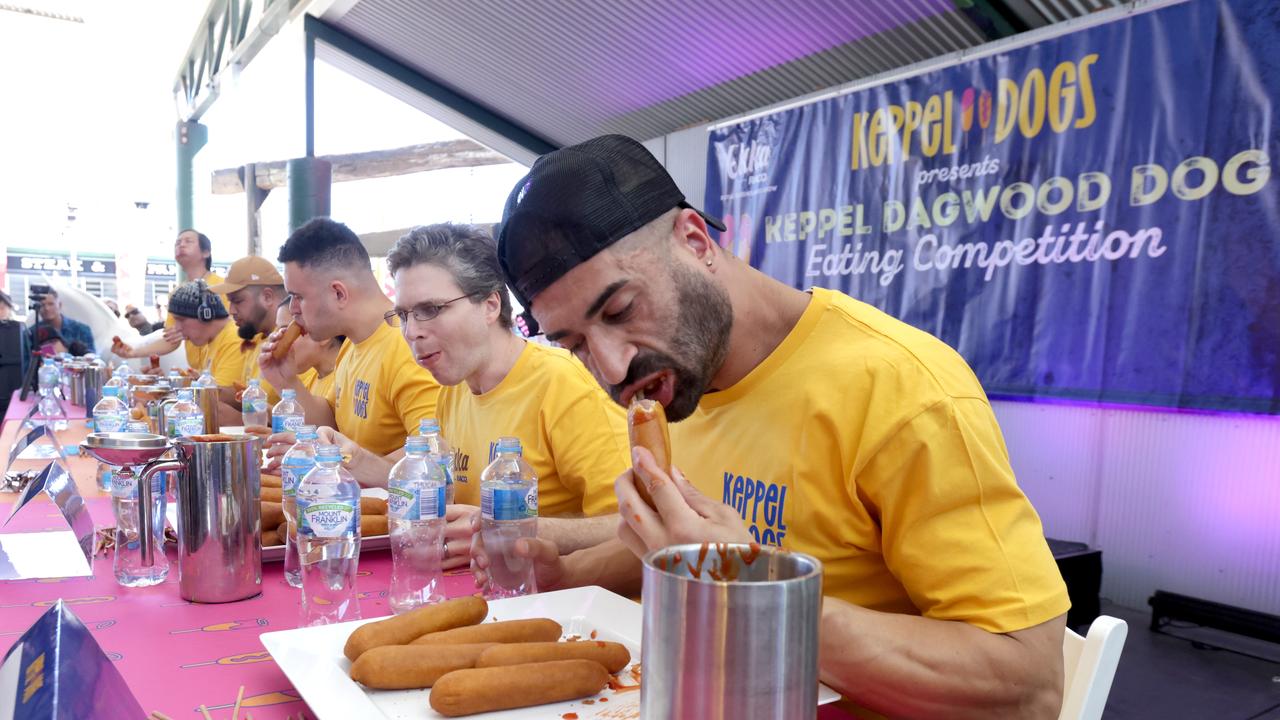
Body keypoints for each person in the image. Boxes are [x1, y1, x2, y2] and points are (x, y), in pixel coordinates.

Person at [486, 135, 1071, 718]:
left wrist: (754, 591)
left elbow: (1029, 683)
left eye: (620, 311)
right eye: (575, 344)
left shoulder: (899, 389)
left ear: (694, 240)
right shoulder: (673, 384)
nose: (612, 368)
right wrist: (569, 571)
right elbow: (686, 547)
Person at [328, 223, 630, 566]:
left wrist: (508, 531)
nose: (412, 332)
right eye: (403, 315)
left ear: (489, 305)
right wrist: (350, 456)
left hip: (556, 602)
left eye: (430, 310)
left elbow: (632, 527)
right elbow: (428, 485)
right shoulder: (453, 388)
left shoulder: (564, 385)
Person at [258, 217, 440, 460]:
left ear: (338, 293)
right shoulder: (352, 345)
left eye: (298, 297)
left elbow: (431, 450)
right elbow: (332, 423)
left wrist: (337, 462)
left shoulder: (407, 346)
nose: (293, 309)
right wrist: (287, 381)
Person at [114, 229, 223, 368]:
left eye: (188, 241)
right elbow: (170, 339)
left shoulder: (222, 287)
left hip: (225, 364)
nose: (181, 245)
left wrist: (192, 329)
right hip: (199, 372)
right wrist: (134, 352)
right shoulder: (176, 294)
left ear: (206, 252)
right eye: (177, 243)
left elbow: (231, 328)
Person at [209, 256, 288, 406]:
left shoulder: (291, 341)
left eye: (237, 301)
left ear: (267, 297)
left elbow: (301, 417)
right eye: (230, 302)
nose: (231, 310)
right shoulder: (257, 340)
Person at [165, 281, 247, 388]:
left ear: (205, 314)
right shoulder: (210, 340)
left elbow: (220, 399)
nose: (177, 328)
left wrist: (182, 386)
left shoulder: (234, 340)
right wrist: (170, 383)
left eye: (181, 319)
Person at [272, 300, 347, 403]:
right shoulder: (311, 382)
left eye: (285, 331)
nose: (276, 341)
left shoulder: (345, 381)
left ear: (324, 335)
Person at [25, 288, 94, 356]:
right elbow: (25, 361)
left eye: (51, 304)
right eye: (42, 305)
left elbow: (93, 359)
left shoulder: (81, 330)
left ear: (60, 305)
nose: (47, 308)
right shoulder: (31, 333)